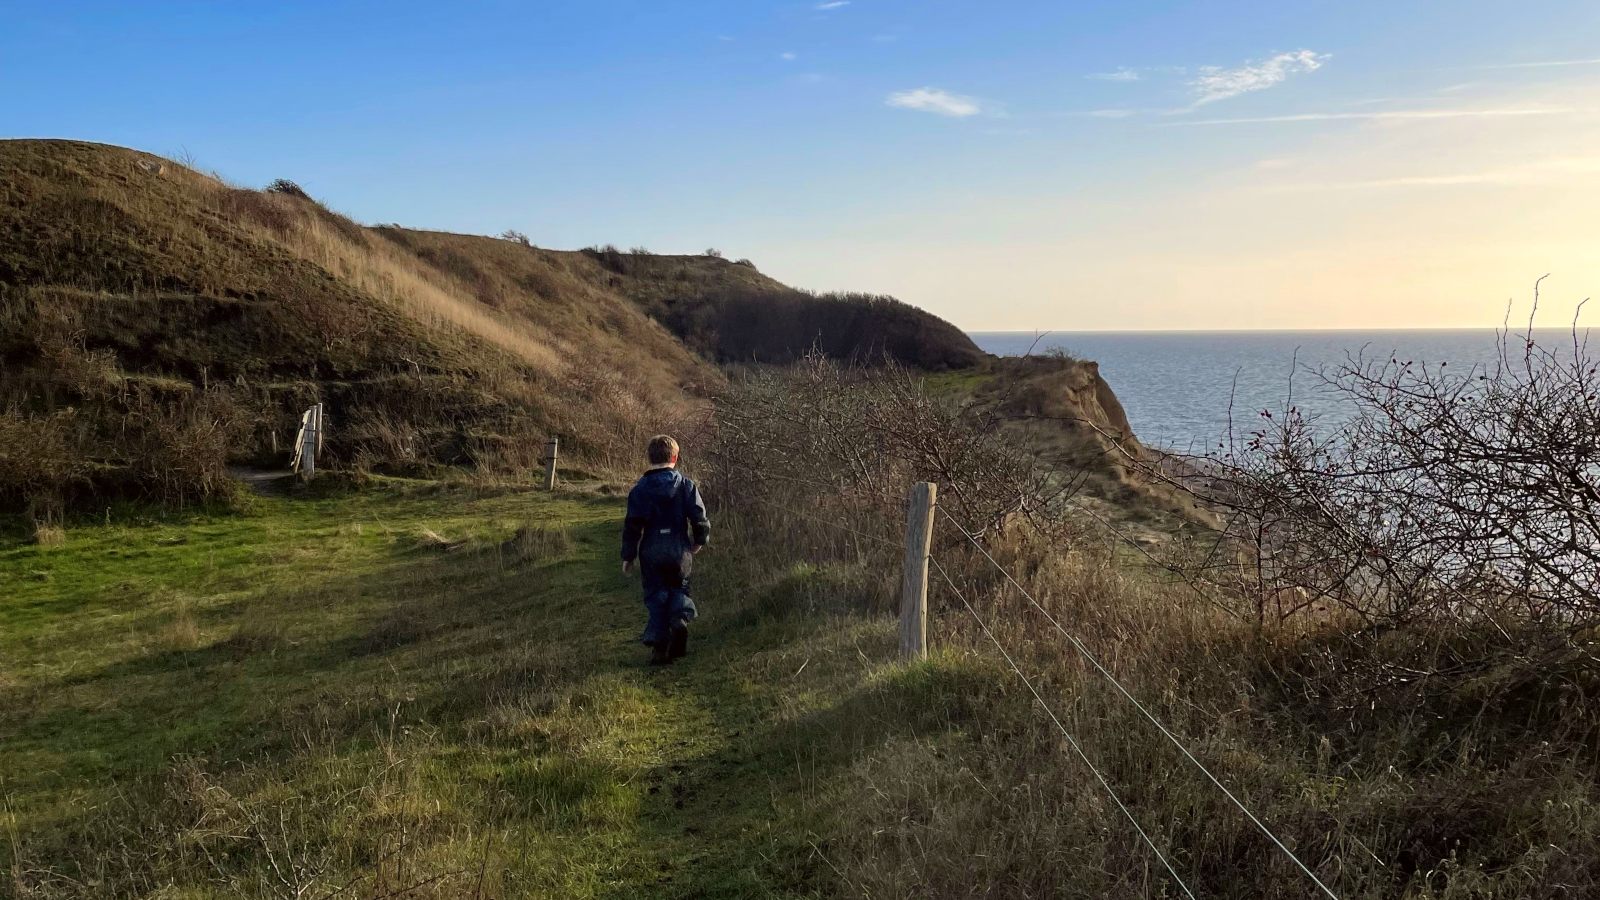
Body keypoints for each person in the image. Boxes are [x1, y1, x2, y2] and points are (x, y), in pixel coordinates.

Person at [620, 435, 710, 665]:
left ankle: (660, 647)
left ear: (650, 458)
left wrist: (628, 556)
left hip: (651, 551)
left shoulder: (640, 490)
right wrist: (699, 540)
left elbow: (632, 526)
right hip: (679, 550)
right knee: (679, 589)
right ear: (675, 457)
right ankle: (679, 621)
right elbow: (699, 517)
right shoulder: (686, 485)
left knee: (656, 595)